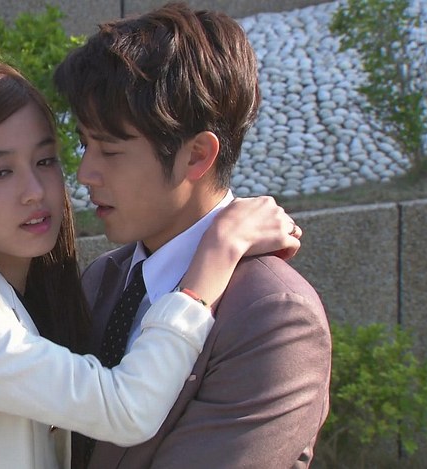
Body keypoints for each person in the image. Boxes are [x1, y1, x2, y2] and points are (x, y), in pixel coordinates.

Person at [0, 51, 303, 469]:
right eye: (0, 172)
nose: (35, 190)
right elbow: (126, 409)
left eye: (45, 160)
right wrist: (217, 253)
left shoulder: (36, 292)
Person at [53, 3, 332, 468]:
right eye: (85, 144)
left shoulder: (273, 315)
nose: (85, 173)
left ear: (197, 155)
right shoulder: (105, 279)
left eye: (110, 150)